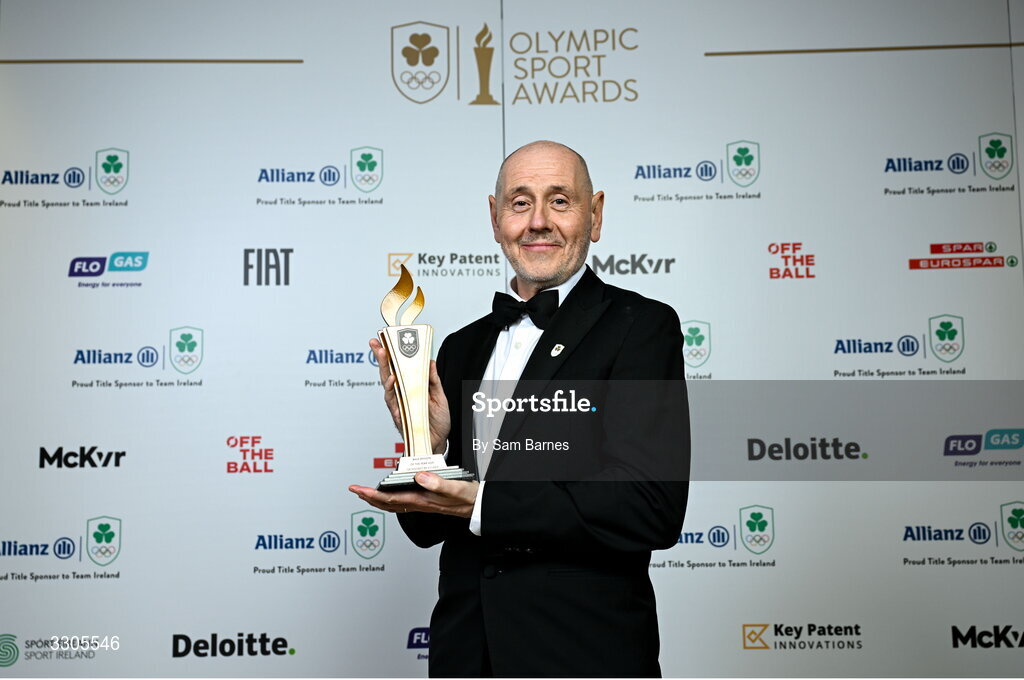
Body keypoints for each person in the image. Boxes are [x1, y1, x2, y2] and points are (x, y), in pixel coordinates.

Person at [350, 140, 689, 677]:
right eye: (520, 202)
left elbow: (650, 507)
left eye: (560, 201)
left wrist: (481, 502)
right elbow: (428, 530)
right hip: (467, 657)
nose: (537, 222)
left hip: (583, 657)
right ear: (494, 217)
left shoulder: (640, 328)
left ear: (594, 215)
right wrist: (429, 446)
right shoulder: (461, 348)